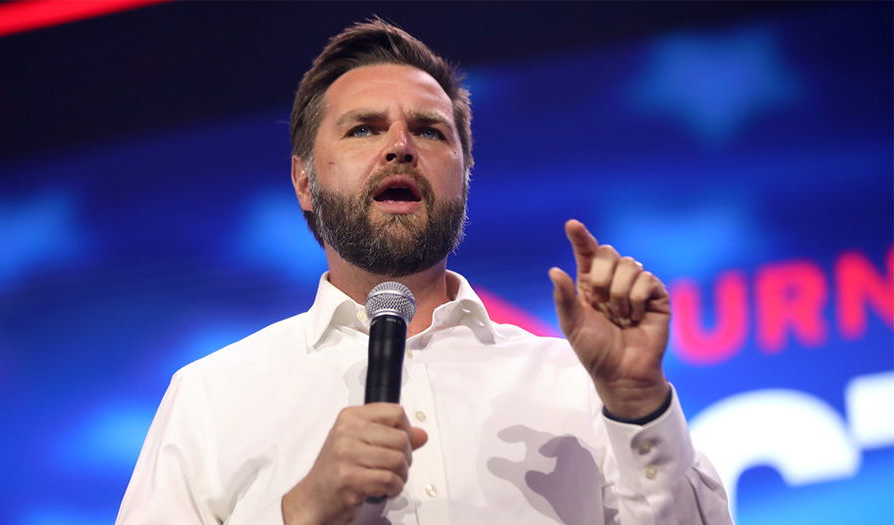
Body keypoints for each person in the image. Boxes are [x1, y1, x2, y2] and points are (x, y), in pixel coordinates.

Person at [117, 18, 733, 525]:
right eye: (363, 128)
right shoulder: (212, 398)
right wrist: (299, 512)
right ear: (305, 181)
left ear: (463, 177)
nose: (400, 147)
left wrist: (636, 405)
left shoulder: (574, 385)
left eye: (430, 131)